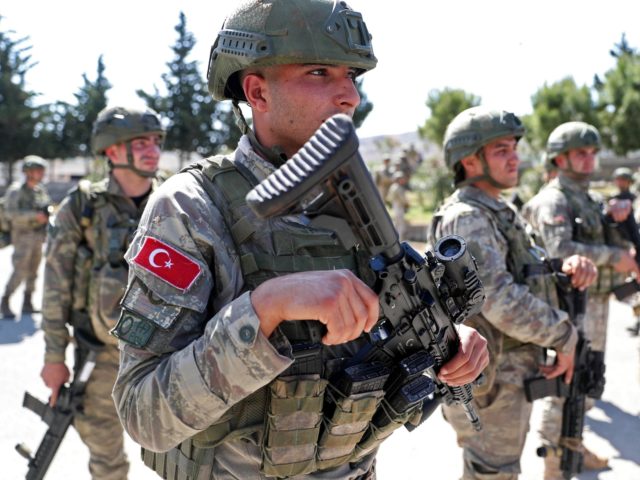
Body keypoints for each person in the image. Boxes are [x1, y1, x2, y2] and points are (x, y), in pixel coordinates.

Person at [111, 1, 489, 479]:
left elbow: (385, 328)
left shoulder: (352, 195)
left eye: (353, 75)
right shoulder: (190, 206)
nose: (349, 95)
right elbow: (142, 413)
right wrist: (265, 309)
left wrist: (448, 345)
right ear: (257, 91)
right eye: (319, 72)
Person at [429, 106, 597, 480]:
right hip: (492, 383)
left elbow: (525, 273)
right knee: (494, 472)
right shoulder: (468, 216)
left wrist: (565, 268)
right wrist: (563, 333)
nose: (515, 157)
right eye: (501, 150)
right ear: (470, 161)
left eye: (514, 148)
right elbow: (500, 299)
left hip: (506, 374)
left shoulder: (498, 211)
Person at [40, 106, 165, 479]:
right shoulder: (81, 206)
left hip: (169, 355)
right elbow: (55, 285)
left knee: (183, 455)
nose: (153, 151)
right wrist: (53, 356)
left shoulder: (178, 201)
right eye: (140, 142)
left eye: (156, 142)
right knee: (105, 454)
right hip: (99, 357)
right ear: (111, 152)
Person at [522, 121, 639, 478]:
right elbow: (560, 250)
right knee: (565, 386)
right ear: (559, 158)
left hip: (595, 304)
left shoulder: (586, 198)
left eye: (592, 153)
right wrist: (612, 256)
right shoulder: (554, 199)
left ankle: (574, 443)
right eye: (579, 153)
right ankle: (555, 464)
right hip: (568, 307)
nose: (589, 160)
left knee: (586, 382)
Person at [1, 155, 51, 319]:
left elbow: (46, 208)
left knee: (34, 271)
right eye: (38, 171)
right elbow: (10, 213)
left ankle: (27, 303)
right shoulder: (16, 191)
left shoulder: (40, 191)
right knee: (20, 270)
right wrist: (34, 216)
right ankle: (5, 301)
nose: (41, 174)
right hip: (22, 237)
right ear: (28, 172)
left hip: (37, 237)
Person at [387, 170, 410, 241]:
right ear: (398, 179)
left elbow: (389, 198)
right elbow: (403, 200)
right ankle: (400, 241)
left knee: (396, 225)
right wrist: (407, 204)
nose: (403, 180)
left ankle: (395, 240)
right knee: (401, 226)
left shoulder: (393, 187)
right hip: (399, 207)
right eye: (401, 178)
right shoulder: (398, 187)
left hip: (395, 207)